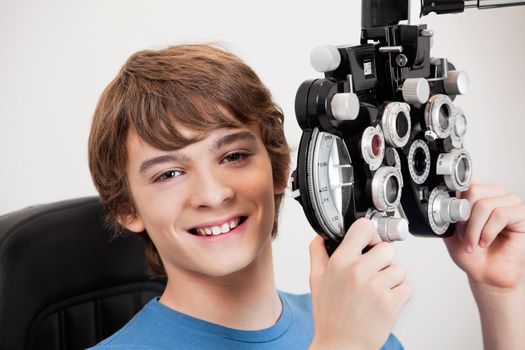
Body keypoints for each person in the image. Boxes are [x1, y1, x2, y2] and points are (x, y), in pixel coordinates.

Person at [87, 44, 525, 349]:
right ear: (127, 208)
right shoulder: (347, 330)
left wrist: (500, 294)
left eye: (235, 155)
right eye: (169, 173)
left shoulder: (349, 317)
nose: (213, 193)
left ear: (281, 170)